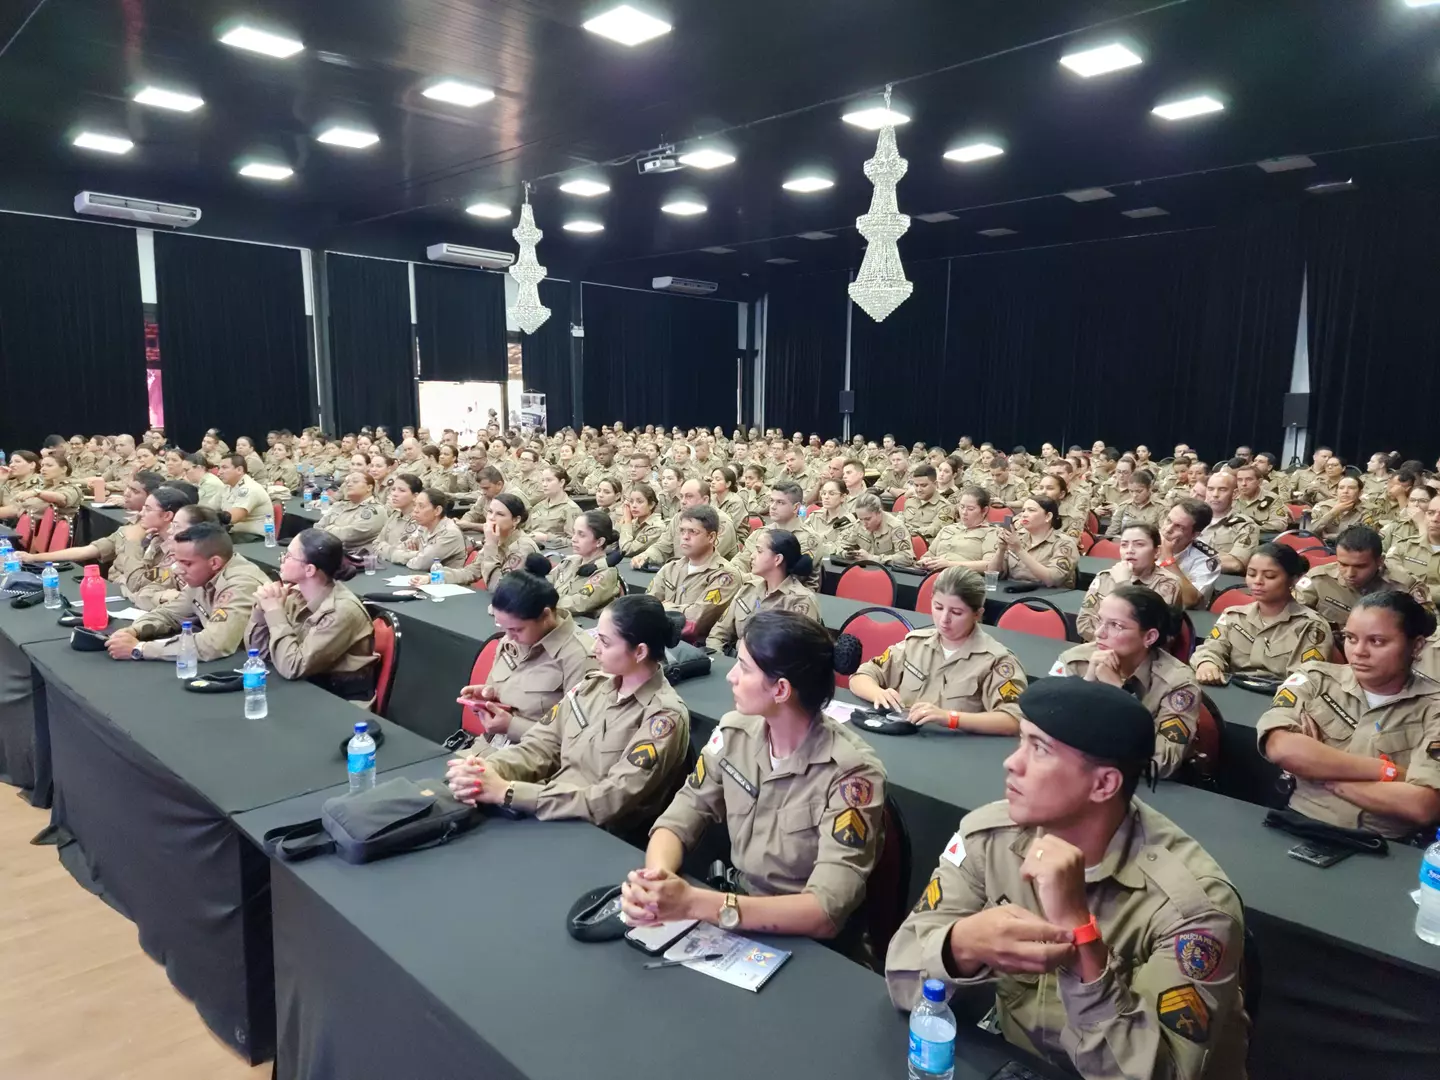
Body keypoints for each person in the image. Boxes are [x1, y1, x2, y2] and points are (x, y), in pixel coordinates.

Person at [885, 676, 1248, 1077]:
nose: (1011, 762)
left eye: (1039, 749)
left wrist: (1082, 937)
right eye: (1021, 740)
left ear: (1104, 783)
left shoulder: (1192, 907)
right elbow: (902, 977)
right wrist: (960, 947)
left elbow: (1158, 1074)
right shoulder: (988, 838)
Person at [624, 612, 887, 950]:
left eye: (744, 668)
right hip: (736, 909)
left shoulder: (852, 774)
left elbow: (824, 910)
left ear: (780, 689)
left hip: (807, 942)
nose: (730, 677)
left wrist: (693, 903)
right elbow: (686, 810)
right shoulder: (735, 732)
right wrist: (656, 883)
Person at [446, 594, 690, 837]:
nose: (595, 649)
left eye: (605, 642)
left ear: (639, 652)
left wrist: (508, 792)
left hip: (598, 836)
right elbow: (540, 746)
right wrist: (485, 771)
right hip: (549, 810)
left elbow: (609, 800)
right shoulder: (591, 686)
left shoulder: (662, 716)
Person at [1259, 591, 1440, 839]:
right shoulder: (1314, 678)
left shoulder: (1434, 707)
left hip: (1385, 845)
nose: (1358, 652)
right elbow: (1281, 748)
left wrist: (1320, 772)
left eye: (1377, 641)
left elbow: (1422, 805)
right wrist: (1387, 772)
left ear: (1416, 646)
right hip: (1297, 823)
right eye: (1351, 638)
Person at [1048, 587, 1201, 777]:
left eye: (1116, 625)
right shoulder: (1075, 660)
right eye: (1100, 621)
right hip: (1073, 775)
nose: (1098, 633)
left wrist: (1118, 694)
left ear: (1149, 637)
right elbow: (1045, 729)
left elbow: (1162, 762)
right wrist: (1087, 684)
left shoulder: (1178, 683)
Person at [850, 567, 1026, 732]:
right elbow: (861, 677)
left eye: (956, 612)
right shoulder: (915, 644)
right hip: (906, 739)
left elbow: (1014, 720)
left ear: (977, 614)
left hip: (957, 751)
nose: (944, 619)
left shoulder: (995, 660)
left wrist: (951, 718)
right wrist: (878, 693)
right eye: (938, 607)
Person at [451, 567, 598, 743]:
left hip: (535, 760)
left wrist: (512, 726)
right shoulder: (514, 638)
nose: (509, 636)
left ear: (545, 615)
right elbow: (511, 690)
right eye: (503, 627)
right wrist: (487, 696)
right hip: (489, 745)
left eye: (516, 629)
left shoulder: (580, 657)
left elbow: (579, 737)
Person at [104, 523, 271, 662]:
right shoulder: (203, 574)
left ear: (214, 562)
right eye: (177, 562)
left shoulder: (241, 584)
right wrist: (134, 631)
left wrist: (140, 648)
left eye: (186, 563)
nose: (177, 570)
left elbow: (214, 644)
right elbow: (169, 614)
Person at [244, 529, 378, 701]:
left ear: (309, 570)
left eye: (289, 556)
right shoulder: (295, 595)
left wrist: (273, 611)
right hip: (304, 687)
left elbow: (293, 667)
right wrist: (262, 608)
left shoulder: (342, 611)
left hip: (338, 700)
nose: (282, 559)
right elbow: (259, 654)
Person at [1191, 543, 1332, 684]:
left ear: (1294, 579)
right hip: (1233, 690)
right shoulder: (1234, 616)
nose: (1257, 581)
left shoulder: (1311, 626)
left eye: (1270, 576)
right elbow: (1211, 648)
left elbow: (1306, 679)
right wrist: (1207, 663)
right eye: (1251, 574)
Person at [23, 480, 185, 602]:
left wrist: (132, 545)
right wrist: (34, 558)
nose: (141, 514)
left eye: (148, 509)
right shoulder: (154, 539)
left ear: (167, 516)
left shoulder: (177, 551)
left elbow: (140, 586)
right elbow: (88, 550)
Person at [1294, 525, 1429, 644]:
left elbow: (1429, 631)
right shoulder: (1318, 579)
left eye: (1361, 566)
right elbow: (1292, 618)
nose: (1350, 573)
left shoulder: (1405, 585)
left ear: (1380, 561)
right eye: (1343, 564)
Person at [707, 529, 820, 653]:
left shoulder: (799, 600)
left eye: (759, 551)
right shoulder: (748, 589)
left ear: (777, 559)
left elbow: (801, 655)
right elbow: (718, 634)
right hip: (734, 664)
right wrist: (718, 659)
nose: (752, 556)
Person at [646, 505, 742, 643]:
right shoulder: (670, 568)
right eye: (682, 531)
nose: (685, 537)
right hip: (660, 641)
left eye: (693, 532)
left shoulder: (725, 576)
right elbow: (645, 608)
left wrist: (664, 607)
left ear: (711, 537)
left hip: (696, 648)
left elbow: (696, 619)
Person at [1076, 523, 1183, 641]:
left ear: (1156, 552)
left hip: (1139, 657)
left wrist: (1123, 584)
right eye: (1124, 545)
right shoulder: (1105, 577)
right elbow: (1083, 623)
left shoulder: (1167, 583)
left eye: (1139, 545)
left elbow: (1149, 633)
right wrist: (1107, 641)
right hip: (1098, 648)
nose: (1129, 550)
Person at [440, 493, 539, 589]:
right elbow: (472, 572)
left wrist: (491, 545)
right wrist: (434, 577)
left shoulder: (523, 547)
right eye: (490, 512)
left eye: (500, 514)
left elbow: (500, 587)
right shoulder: (496, 538)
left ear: (516, 520)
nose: (491, 517)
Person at [631, 479, 737, 566]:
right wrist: (645, 556)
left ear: (705, 500)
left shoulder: (721, 522)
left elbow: (703, 558)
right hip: (680, 572)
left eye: (689, 496)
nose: (683, 501)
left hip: (712, 579)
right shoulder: (679, 518)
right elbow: (662, 546)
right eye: (681, 496)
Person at [988, 496, 1079, 588]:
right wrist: (1001, 550)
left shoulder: (1064, 543)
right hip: (1014, 592)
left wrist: (1019, 551)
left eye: (1031, 510)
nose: (1024, 515)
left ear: (1048, 516)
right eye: (1023, 510)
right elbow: (993, 574)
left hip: (1048, 596)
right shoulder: (1017, 537)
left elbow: (1052, 580)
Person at [544, 511, 624, 616]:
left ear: (599, 542)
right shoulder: (570, 561)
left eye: (581, 535)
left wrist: (542, 601)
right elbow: (545, 582)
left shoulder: (605, 574)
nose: (573, 539)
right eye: (574, 532)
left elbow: (578, 603)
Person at [919, 487, 1000, 572]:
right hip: (934, 575)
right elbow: (927, 556)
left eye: (970, 509)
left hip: (963, 579)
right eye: (962, 507)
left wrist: (949, 564)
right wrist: (926, 561)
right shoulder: (947, 529)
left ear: (984, 511)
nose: (964, 512)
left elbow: (989, 566)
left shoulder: (991, 533)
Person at [1198, 472, 1260, 575]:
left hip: (1217, 582)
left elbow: (1235, 564)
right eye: (1210, 489)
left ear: (1235, 493)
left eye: (1222, 489)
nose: (1215, 495)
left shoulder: (1245, 525)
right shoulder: (1194, 518)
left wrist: (1192, 562)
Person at [1386, 492, 1440, 606]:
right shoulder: (1406, 545)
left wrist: (1411, 587)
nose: (1435, 519)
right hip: (1402, 612)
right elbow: (1389, 570)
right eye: (1430, 513)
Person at [838, 493, 917, 569]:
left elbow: (906, 558)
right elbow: (839, 544)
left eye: (868, 519)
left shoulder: (896, 527)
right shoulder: (858, 525)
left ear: (879, 512)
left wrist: (871, 559)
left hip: (891, 574)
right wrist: (846, 553)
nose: (864, 523)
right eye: (860, 519)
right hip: (866, 571)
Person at [316, 471, 386, 555]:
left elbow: (348, 535)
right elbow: (318, 527)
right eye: (347, 482)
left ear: (369, 487)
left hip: (355, 559)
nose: (349, 485)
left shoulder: (376, 510)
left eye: (355, 481)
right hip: (327, 552)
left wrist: (327, 529)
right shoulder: (339, 505)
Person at [214, 454, 272, 539]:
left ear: (239, 470)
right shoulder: (227, 487)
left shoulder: (249, 488)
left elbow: (232, 518)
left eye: (224, 467)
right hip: (236, 534)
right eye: (219, 468)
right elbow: (210, 507)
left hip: (254, 538)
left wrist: (207, 516)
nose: (219, 472)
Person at [1309, 475, 1375, 543]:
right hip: (1323, 548)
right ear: (1337, 491)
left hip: (1354, 550)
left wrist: (1329, 536)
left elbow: (1365, 537)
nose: (1345, 491)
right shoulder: (1322, 506)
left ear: (1360, 493)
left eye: (1351, 488)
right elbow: (1311, 532)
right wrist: (1333, 513)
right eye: (1341, 488)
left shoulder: (1369, 509)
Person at [900, 464, 956, 542]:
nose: (919, 490)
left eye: (923, 485)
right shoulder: (910, 501)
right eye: (916, 485)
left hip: (926, 546)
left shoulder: (945, 507)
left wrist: (910, 531)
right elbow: (900, 519)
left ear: (935, 484)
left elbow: (935, 529)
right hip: (904, 542)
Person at [527, 467, 582, 545]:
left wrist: (547, 538)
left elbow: (575, 542)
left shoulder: (571, 509)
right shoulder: (538, 506)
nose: (544, 484)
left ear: (561, 482)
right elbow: (527, 530)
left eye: (549, 480)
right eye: (543, 480)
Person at [803, 478, 855, 559]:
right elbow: (802, 538)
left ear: (843, 497)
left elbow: (839, 549)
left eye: (832, 493)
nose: (826, 497)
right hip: (810, 560)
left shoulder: (849, 522)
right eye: (823, 493)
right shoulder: (814, 516)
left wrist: (813, 545)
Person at [1103, 469, 1163, 537]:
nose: (1134, 495)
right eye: (1131, 491)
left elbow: (1163, 536)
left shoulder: (1161, 508)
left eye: (1139, 491)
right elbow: (1110, 533)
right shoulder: (1124, 506)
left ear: (1150, 488)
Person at [617, 482, 666, 558]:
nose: (634, 506)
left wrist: (627, 521)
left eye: (639, 502)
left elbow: (626, 550)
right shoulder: (634, 522)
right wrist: (624, 518)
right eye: (631, 501)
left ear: (651, 505)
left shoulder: (656, 527)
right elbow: (612, 544)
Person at [1233, 464, 1289, 532]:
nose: (1243, 483)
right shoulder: (1231, 498)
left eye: (1249, 479)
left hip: (1261, 539)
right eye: (1239, 480)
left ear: (1259, 482)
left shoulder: (1272, 498)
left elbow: (1280, 525)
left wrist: (1248, 527)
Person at [709, 466, 752, 544]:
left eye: (717, 479)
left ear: (728, 484)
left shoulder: (736, 502)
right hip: (715, 535)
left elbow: (728, 529)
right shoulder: (712, 499)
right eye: (712, 479)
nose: (713, 482)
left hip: (736, 539)